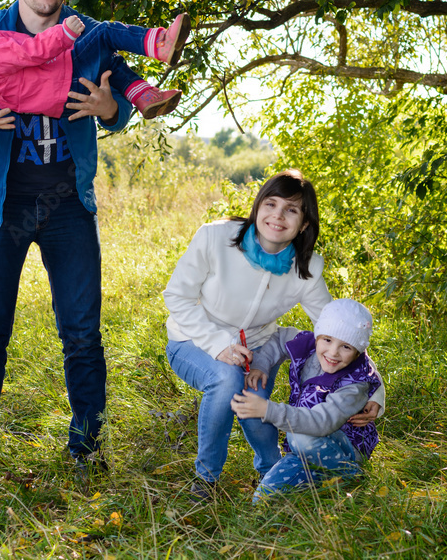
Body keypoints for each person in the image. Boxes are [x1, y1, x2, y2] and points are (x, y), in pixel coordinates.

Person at [0, 0, 142, 497]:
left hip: (67, 206)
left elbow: (119, 98)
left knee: (82, 333)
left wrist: (112, 111)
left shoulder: (86, 32)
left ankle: (88, 451)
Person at [162, 169, 384, 501]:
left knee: (258, 407)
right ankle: (205, 481)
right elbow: (176, 296)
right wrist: (218, 344)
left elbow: (340, 328)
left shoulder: (307, 268)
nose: (277, 216)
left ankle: (270, 472)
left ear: (304, 223)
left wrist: (375, 394)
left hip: (258, 350)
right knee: (227, 381)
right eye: (271, 203)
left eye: (291, 209)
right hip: (192, 339)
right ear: (257, 206)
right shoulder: (214, 238)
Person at [231, 298, 382, 502]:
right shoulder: (307, 345)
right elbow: (278, 339)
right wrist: (260, 365)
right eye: (327, 340)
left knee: (299, 437)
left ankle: (348, 473)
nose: (333, 352)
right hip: (304, 448)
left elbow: (321, 423)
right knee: (263, 498)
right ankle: (320, 476)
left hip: (344, 444)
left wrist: (268, 410)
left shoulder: (354, 385)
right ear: (318, 336)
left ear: (357, 353)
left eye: (346, 346)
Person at [0, 8, 189, 120]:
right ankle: (160, 45)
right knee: (105, 33)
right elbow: (33, 52)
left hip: (61, 98)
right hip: (66, 75)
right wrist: (65, 33)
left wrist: (112, 113)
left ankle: (143, 95)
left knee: (110, 62)